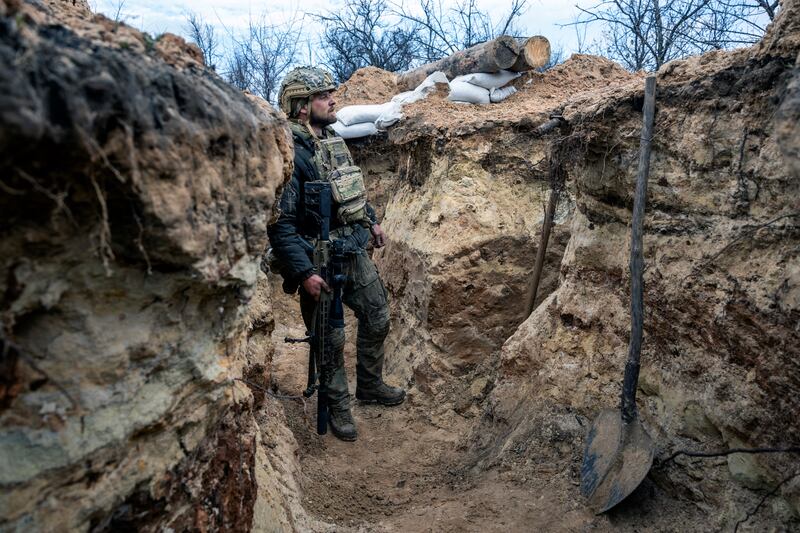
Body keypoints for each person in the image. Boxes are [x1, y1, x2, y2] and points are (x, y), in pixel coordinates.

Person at [267, 66, 405, 442]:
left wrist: (372, 221)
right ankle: (339, 407)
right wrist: (305, 272)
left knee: (377, 314)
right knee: (330, 339)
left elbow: (351, 190)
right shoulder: (292, 154)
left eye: (330, 94)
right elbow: (281, 227)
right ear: (300, 106)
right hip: (317, 257)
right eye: (323, 96)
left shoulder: (332, 140)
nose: (332, 100)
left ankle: (371, 385)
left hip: (351, 247)